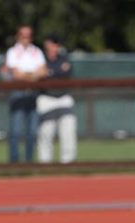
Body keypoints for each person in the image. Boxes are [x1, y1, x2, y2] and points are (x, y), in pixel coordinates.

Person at [0, 25, 47, 163]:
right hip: (18, 93)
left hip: (33, 94)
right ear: (18, 36)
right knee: (16, 131)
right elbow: (15, 73)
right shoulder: (12, 52)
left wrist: (26, 75)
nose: (26, 38)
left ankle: (29, 162)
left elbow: (44, 71)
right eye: (23, 35)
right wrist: (33, 75)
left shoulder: (36, 51)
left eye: (28, 36)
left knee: (32, 132)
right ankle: (14, 163)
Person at [36, 34, 77, 164]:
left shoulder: (64, 58)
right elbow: (40, 75)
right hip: (46, 98)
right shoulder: (39, 59)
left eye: (56, 44)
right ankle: (45, 163)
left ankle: (68, 162)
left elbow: (66, 73)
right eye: (52, 43)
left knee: (68, 130)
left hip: (63, 97)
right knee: (46, 132)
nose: (54, 47)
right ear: (46, 44)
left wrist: (50, 73)